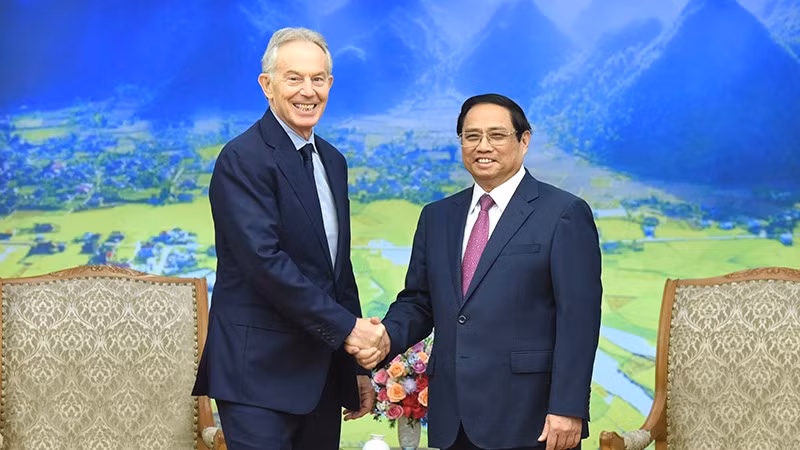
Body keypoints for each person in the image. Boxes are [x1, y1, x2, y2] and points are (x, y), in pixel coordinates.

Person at [349, 94, 602, 450]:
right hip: (454, 419)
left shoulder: (564, 213)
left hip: (532, 420)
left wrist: (568, 408)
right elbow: (420, 303)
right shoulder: (437, 217)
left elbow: (579, 320)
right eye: (472, 136)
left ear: (524, 140)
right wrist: (386, 337)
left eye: (497, 135)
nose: (483, 146)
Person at [192, 27, 384, 450]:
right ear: (267, 85)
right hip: (258, 379)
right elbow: (265, 263)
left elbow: (337, 271)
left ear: (330, 85)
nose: (307, 91)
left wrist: (355, 368)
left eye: (318, 79)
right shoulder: (242, 159)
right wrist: (350, 330)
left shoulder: (332, 161)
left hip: (319, 375)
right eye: (293, 77)